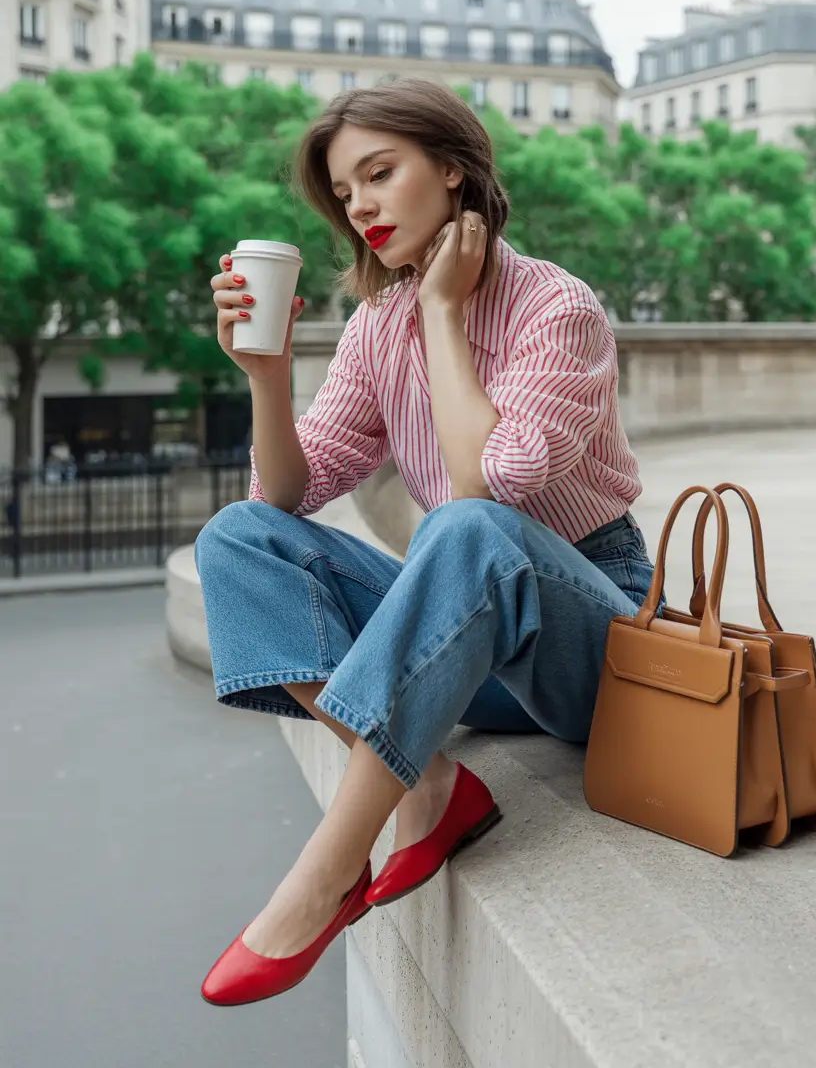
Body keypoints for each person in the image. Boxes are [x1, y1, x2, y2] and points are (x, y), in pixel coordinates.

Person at [195, 77, 662, 1008]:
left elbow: (493, 483)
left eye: (380, 173)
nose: (360, 205)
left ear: (452, 170)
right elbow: (283, 495)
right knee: (238, 538)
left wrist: (445, 315)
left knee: (467, 524)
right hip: (469, 647)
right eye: (345, 191)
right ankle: (427, 783)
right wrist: (266, 374)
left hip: (592, 640)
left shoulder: (554, 309)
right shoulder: (378, 327)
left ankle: (325, 871)